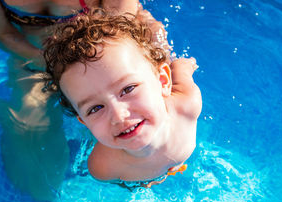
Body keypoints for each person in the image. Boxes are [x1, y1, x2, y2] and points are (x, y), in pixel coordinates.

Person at [0, 0, 167, 200]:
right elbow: (3, 33)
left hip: (108, 45)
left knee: (142, 108)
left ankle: (145, 165)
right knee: (28, 127)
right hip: (34, 55)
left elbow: (120, 22)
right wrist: (51, 65)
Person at [43, 9, 202, 188]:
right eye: (95, 108)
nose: (119, 116)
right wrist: (141, 182)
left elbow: (179, 70)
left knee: (159, 46)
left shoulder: (188, 105)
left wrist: (186, 65)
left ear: (163, 82)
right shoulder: (103, 167)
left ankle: (147, 21)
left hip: (163, 69)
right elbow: (123, 183)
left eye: (128, 89)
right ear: (84, 122)